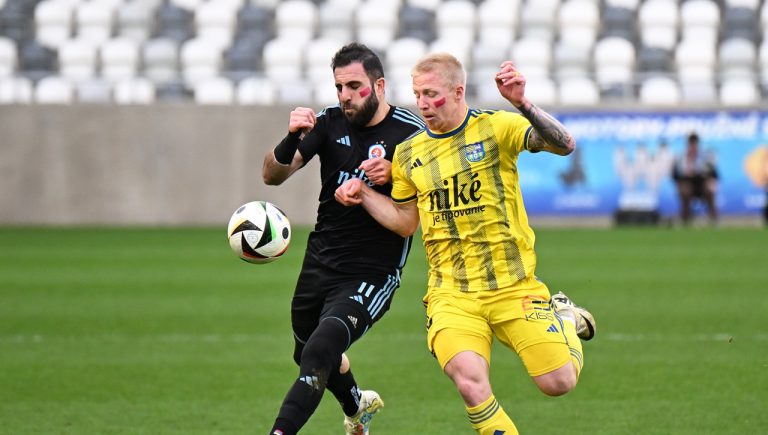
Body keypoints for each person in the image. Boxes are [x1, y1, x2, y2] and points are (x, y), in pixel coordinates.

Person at [335, 53, 596, 435]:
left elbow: (565, 144)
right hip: (451, 296)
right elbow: (406, 223)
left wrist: (522, 104)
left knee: (558, 383)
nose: (422, 103)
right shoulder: (408, 154)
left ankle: (565, 319)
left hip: (512, 286)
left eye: (431, 94)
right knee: (470, 381)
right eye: (417, 94)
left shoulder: (496, 127)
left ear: (458, 92)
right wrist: (365, 196)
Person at [261, 43, 425, 435]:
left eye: (355, 86)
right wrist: (290, 138)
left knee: (320, 350)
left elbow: (407, 225)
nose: (346, 96)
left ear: (379, 85)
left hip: (372, 272)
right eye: (339, 87)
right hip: (320, 262)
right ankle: (357, 405)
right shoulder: (329, 122)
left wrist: (393, 177)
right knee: (305, 352)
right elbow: (272, 175)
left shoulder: (411, 135)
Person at [671, 132, 718, 225]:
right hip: (688, 183)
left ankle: (713, 220)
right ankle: (685, 220)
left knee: (710, 190)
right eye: (691, 142)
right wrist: (682, 179)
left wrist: (709, 179)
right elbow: (674, 174)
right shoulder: (681, 157)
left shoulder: (705, 157)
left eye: (694, 142)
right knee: (685, 190)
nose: (693, 145)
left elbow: (714, 174)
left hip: (702, 183)